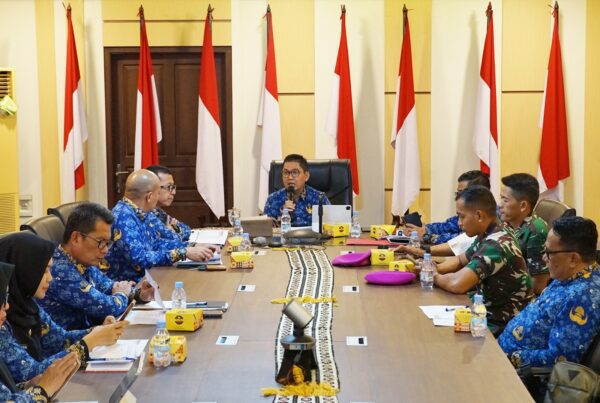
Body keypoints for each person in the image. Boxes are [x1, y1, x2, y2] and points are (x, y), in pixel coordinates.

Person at [0, 233, 126, 383]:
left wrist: (97, 332)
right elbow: (33, 374)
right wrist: (88, 344)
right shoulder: (2, 317)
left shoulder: (28, 304)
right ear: (24, 270)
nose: (50, 278)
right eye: (44, 271)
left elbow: (60, 340)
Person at [499, 216, 600, 369]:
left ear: (573, 258)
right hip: (503, 353)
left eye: (548, 252)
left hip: (519, 373)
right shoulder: (570, 275)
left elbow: (559, 359)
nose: (543, 258)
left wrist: (510, 358)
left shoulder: (581, 298)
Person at [431, 186, 533, 335]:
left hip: (505, 324)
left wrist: (433, 275)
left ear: (479, 215)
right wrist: (431, 267)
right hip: (487, 312)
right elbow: (460, 260)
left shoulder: (496, 244)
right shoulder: (490, 232)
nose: (459, 223)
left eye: (461, 216)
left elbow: (457, 284)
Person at [40, 202, 154, 330]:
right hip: (72, 340)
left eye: (107, 243)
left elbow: (109, 287)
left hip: (92, 334)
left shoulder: (81, 260)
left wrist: (139, 294)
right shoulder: (60, 271)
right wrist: (122, 294)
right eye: (100, 242)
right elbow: (107, 307)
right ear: (76, 238)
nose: (105, 250)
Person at [105, 169, 215, 282]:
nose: (158, 198)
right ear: (149, 197)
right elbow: (140, 258)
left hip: (149, 277)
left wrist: (191, 247)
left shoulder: (140, 211)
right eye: (158, 193)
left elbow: (156, 243)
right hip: (130, 285)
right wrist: (182, 253)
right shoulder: (123, 217)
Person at [0, 262, 80, 403]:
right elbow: (31, 370)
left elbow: (60, 338)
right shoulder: (5, 324)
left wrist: (27, 386)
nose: (6, 305)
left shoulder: (29, 305)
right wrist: (43, 389)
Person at [404, 170, 490, 245]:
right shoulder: (469, 212)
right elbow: (447, 226)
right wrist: (424, 229)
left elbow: (461, 241)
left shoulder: (488, 216)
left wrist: (426, 236)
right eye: (458, 193)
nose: (458, 197)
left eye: (462, 193)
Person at [499, 173, 549, 295]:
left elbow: (538, 286)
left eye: (505, 200)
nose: (500, 205)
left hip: (519, 298)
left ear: (523, 206)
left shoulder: (535, 232)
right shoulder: (506, 222)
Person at [263, 154, 330, 227]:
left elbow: (332, 225)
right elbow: (266, 229)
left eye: (295, 172)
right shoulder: (273, 199)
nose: (290, 177)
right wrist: (282, 214)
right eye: (286, 173)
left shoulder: (320, 198)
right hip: (284, 234)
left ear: (306, 176)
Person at [146, 165, 191, 243]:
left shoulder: (158, 211)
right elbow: (171, 239)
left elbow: (187, 230)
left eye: (173, 187)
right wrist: (172, 232)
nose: (174, 192)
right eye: (169, 187)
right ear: (153, 187)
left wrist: (176, 230)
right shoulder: (145, 214)